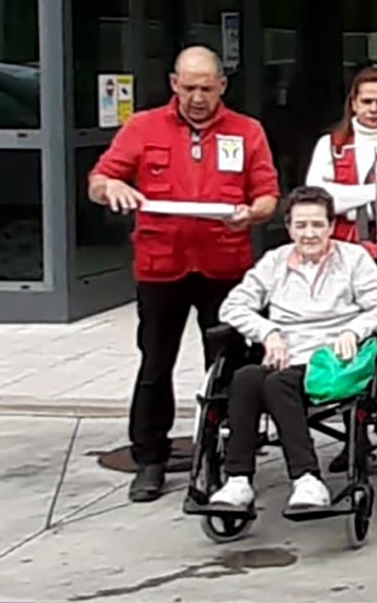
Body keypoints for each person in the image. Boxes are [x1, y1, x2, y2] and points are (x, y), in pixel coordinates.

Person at [87, 46, 280, 503]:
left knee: (233, 365)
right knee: (155, 364)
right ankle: (149, 459)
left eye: (206, 88)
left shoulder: (247, 131)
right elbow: (99, 180)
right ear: (174, 83)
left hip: (225, 265)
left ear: (222, 87)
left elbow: (269, 195)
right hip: (162, 266)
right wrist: (110, 186)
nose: (197, 97)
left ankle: (232, 456)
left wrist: (252, 214)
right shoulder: (143, 127)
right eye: (189, 87)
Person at [209, 186, 377, 512]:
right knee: (244, 379)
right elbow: (232, 306)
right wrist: (267, 332)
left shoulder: (353, 259)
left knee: (276, 382)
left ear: (330, 226)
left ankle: (307, 479)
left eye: (316, 225)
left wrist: (354, 331)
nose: (309, 234)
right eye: (300, 226)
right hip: (284, 352)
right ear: (289, 227)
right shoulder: (275, 261)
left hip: (333, 359)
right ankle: (238, 479)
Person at [305, 67, 377, 473]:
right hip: (337, 258)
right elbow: (318, 198)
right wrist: (374, 194)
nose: (373, 109)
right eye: (366, 101)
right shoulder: (330, 146)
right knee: (342, 339)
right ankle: (351, 436)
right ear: (353, 103)